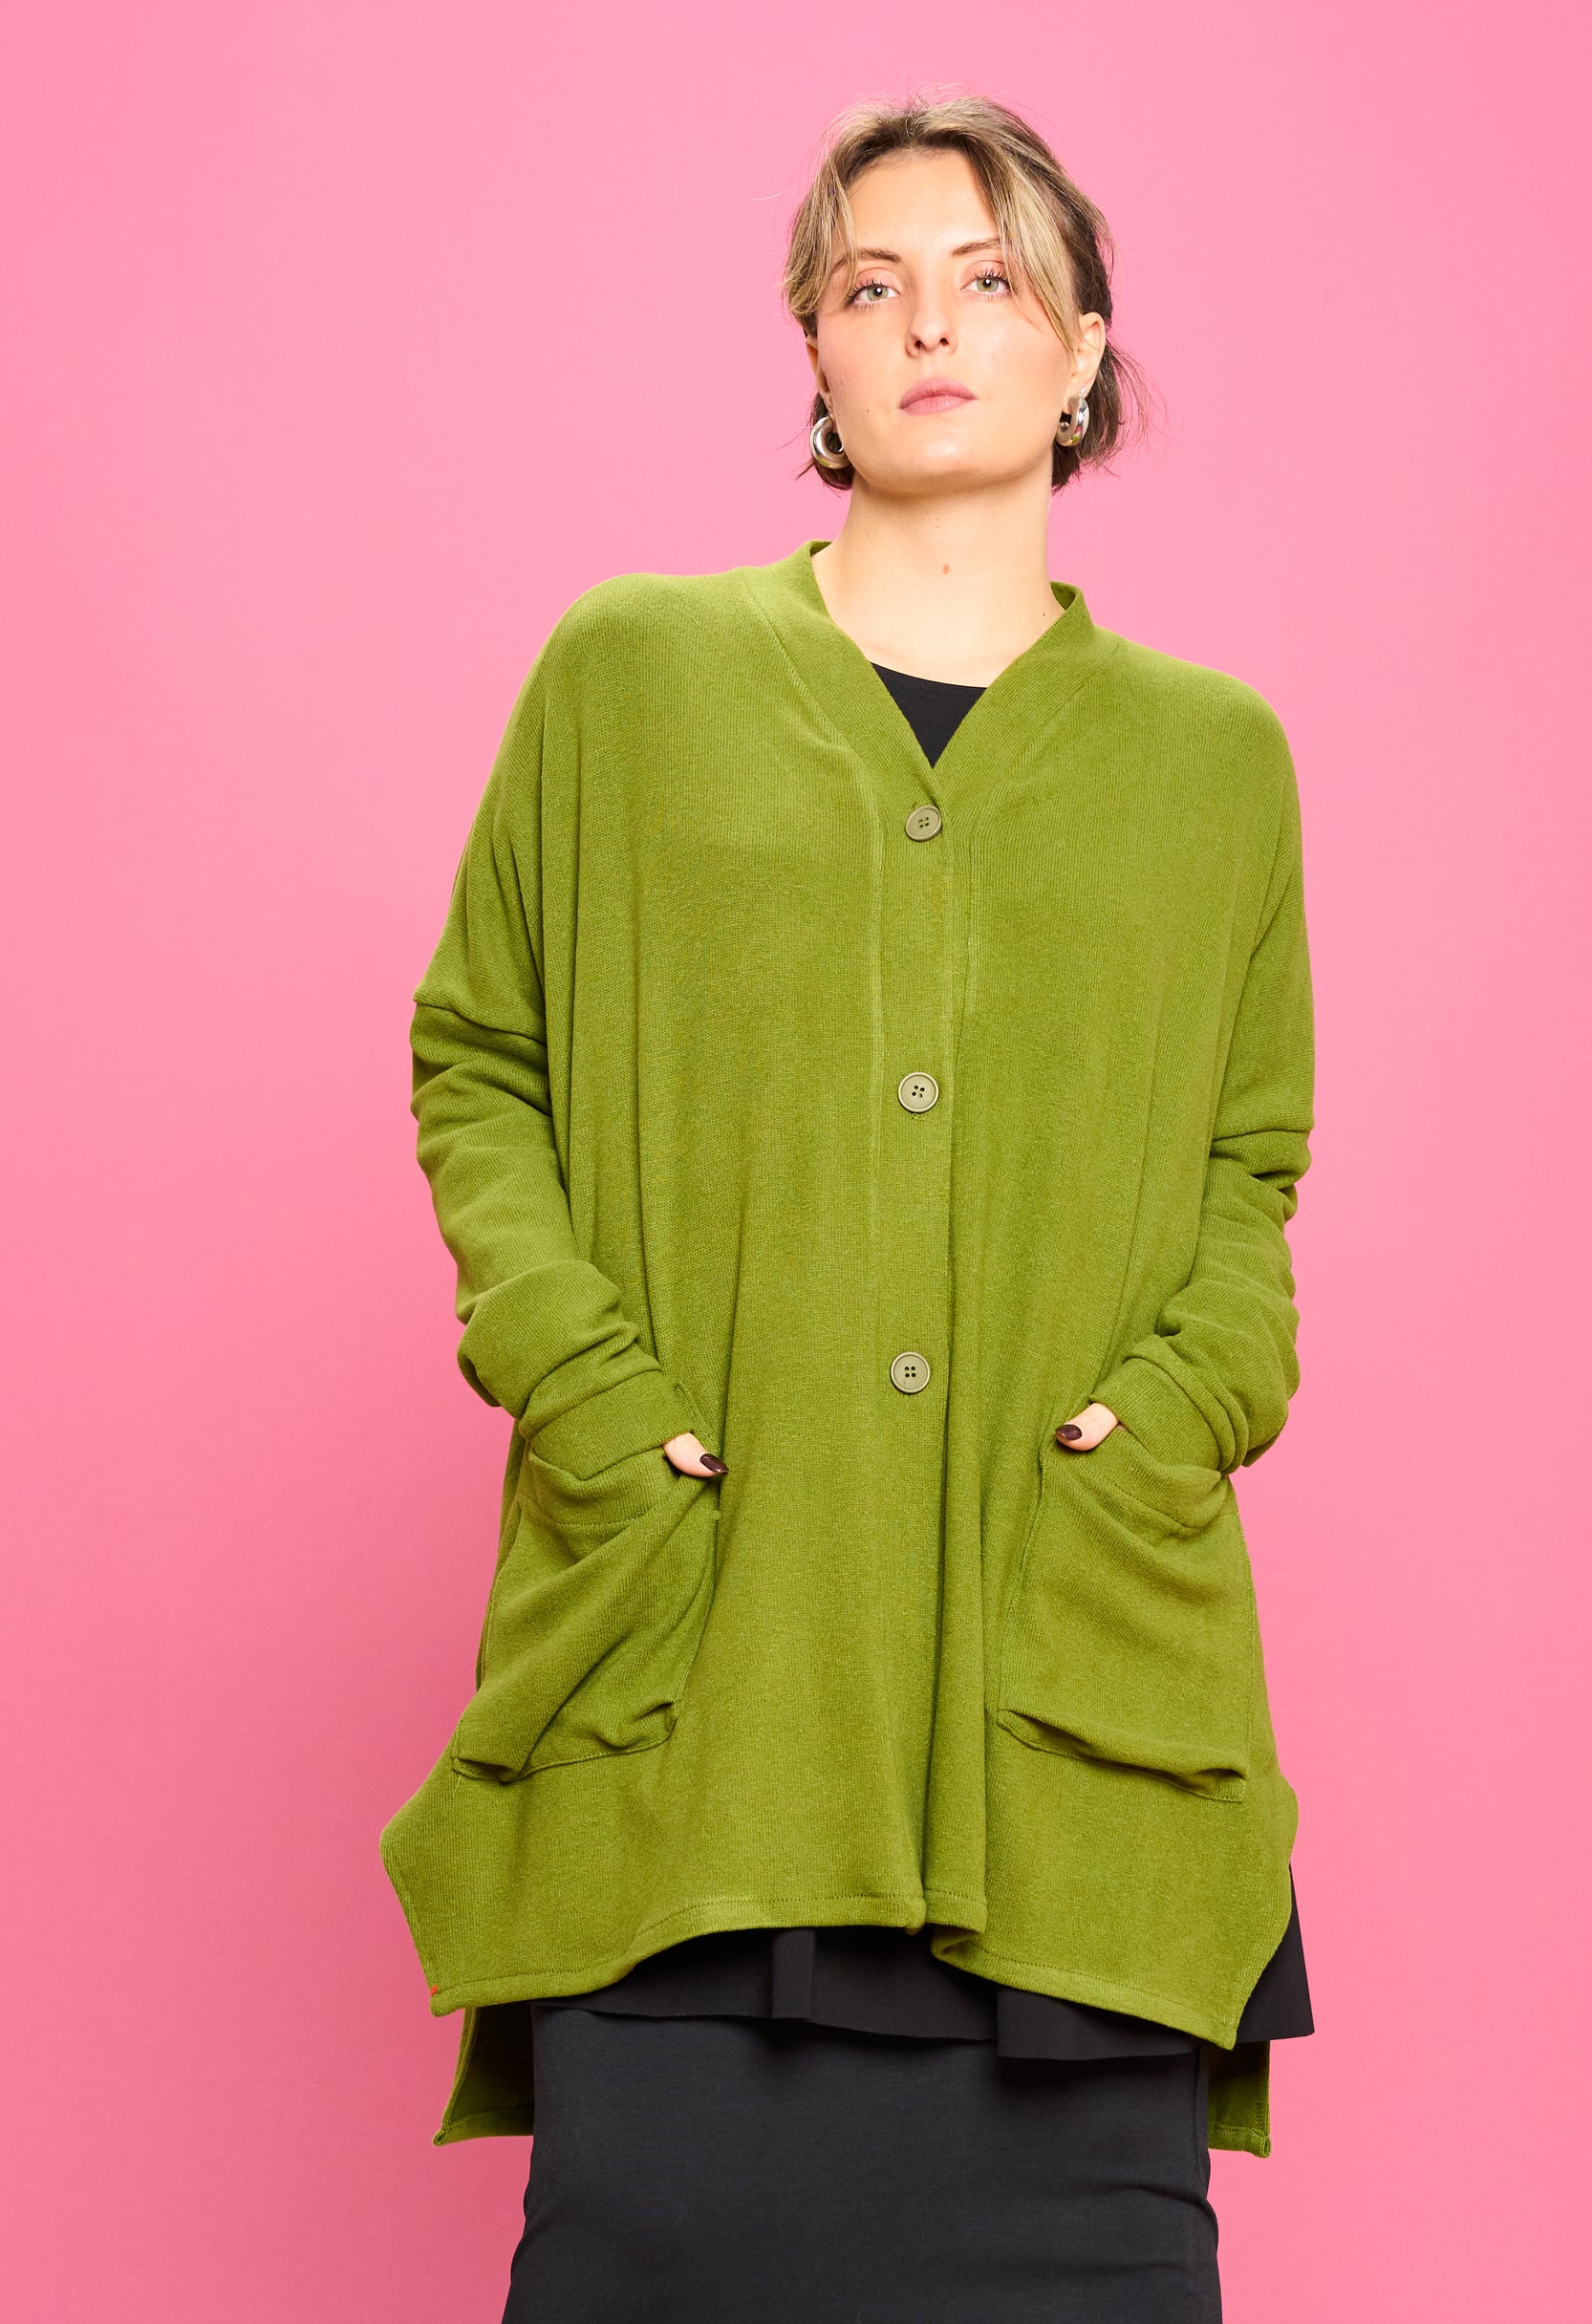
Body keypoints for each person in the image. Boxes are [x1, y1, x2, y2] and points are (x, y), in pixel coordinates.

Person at [381, 87, 1316, 2324]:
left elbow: (1250, 1162)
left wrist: (1180, 1405)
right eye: (870, 283)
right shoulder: (632, 676)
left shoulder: (1213, 761)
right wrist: (588, 1394)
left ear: (1082, 351)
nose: (928, 324)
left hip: (1076, 1743)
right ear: (809, 347)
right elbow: (480, 1058)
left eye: (989, 280)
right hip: (713, 1710)